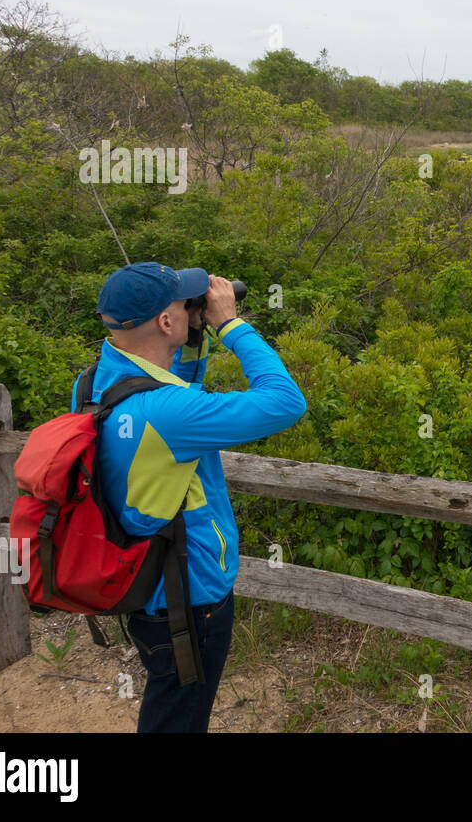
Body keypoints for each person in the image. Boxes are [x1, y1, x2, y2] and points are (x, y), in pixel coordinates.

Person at [81, 262, 306, 732]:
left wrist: (194, 337)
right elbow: (286, 402)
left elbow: (175, 394)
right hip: (189, 599)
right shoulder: (168, 412)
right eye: (186, 303)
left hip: (141, 584)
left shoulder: (93, 385)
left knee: (170, 704)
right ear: (166, 322)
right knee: (177, 719)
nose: (195, 308)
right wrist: (230, 325)